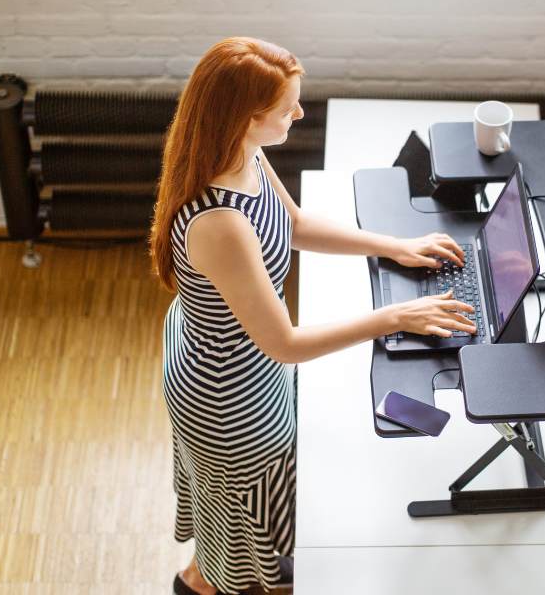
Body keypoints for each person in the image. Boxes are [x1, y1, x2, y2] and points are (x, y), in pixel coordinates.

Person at [149, 37, 476, 595]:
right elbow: (286, 344)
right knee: (239, 522)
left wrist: (393, 244)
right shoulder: (220, 224)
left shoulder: (240, 151)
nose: (299, 115)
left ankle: (217, 571)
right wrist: (396, 316)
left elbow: (294, 225)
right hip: (229, 395)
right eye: (287, 109)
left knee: (236, 516)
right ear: (248, 116)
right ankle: (201, 584)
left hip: (231, 354)